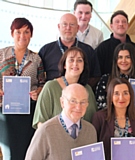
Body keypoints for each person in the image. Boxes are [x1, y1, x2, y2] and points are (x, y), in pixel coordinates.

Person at [0, 18, 45, 160]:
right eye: (18, 32)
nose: (22, 36)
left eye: (26, 32)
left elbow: (42, 84)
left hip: (27, 111)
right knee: (9, 152)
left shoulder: (36, 58)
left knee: (26, 150)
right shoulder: (1, 54)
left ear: (31, 35)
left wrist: (36, 93)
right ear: (12, 33)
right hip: (5, 110)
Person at [25, 83, 97, 160]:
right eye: (73, 101)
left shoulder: (91, 131)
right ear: (62, 102)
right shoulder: (46, 131)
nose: (78, 107)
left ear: (87, 104)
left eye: (83, 102)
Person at [33, 46, 97, 129]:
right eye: (71, 60)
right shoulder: (50, 87)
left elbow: (93, 120)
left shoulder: (87, 89)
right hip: (55, 139)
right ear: (64, 65)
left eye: (79, 60)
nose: (75, 64)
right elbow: (41, 122)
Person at [92, 78, 135, 160]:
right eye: (116, 94)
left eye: (125, 93)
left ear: (131, 96)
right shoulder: (99, 117)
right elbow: (93, 150)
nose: (121, 98)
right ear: (110, 97)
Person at [39, 13, 100, 87]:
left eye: (72, 25)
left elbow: (95, 76)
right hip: (54, 94)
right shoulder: (46, 50)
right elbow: (39, 77)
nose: (68, 28)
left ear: (77, 28)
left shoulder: (88, 51)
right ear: (59, 27)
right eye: (64, 24)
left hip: (80, 94)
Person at [96, 43, 135, 110]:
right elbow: (100, 106)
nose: (123, 61)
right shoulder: (105, 80)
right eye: (120, 57)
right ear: (115, 60)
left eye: (128, 57)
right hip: (110, 119)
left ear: (133, 59)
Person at [95, 10, 135, 76]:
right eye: (117, 22)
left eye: (124, 22)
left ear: (128, 25)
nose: (121, 24)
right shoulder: (102, 48)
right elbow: (97, 71)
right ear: (111, 26)